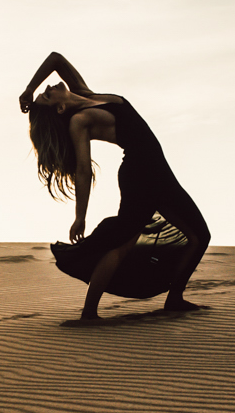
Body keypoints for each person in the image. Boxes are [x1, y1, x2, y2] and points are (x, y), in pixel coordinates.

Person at [19, 51, 211, 324]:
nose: (48, 88)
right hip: (140, 174)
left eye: (45, 90)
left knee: (199, 236)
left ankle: (174, 298)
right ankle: (89, 314)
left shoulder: (86, 93)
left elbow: (56, 59)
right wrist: (80, 216)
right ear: (60, 109)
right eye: (47, 96)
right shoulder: (79, 121)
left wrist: (29, 89)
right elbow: (83, 170)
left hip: (158, 172)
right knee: (123, 241)